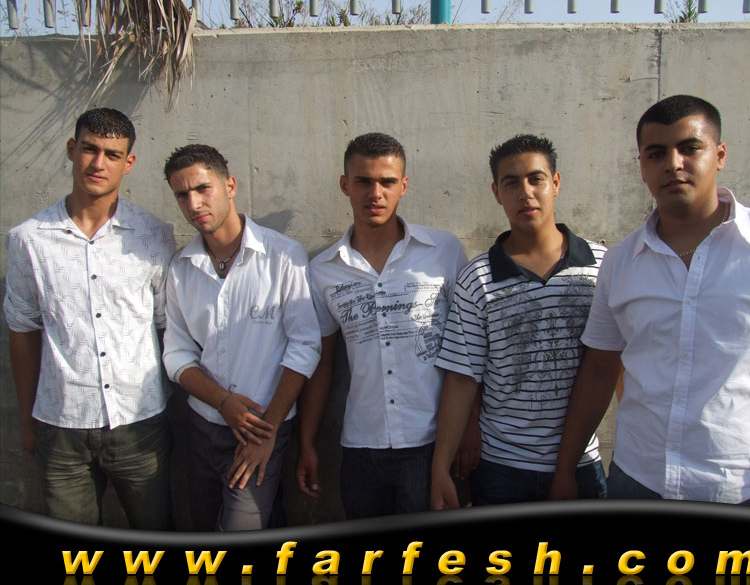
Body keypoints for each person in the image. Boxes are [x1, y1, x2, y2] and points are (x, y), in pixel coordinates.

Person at [549, 94, 750, 508]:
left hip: (741, 489)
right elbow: (598, 371)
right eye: (657, 153)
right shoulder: (621, 262)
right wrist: (565, 469)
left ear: (719, 155)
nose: (673, 163)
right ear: (642, 167)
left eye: (690, 148)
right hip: (638, 479)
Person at [4, 108, 176, 528]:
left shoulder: (153, 235)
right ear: (71, 149)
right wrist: (27, 419)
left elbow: (166, 326)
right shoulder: (29, 239)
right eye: (89, 149)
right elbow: (22, 330)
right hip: (60, 423)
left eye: (112, 155)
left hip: (141, 421)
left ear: (128, 163)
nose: (98, 163)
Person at [296, 132, 469, 519]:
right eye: (363, 181)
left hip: (432, 442)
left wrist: (470, 426)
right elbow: (322, 361)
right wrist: (307, 442)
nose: (375, 193)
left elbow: (470, 347)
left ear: (403, 185)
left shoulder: (443, 251)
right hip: (361, 447)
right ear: (345, 185)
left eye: (387, 182)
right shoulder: (323, 270)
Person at [430, 134, 608, 509]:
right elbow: (462, 378)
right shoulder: (477, 279)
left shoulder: (602, 268)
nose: (525, 193)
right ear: (497, 193)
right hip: (502, 469)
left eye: (535, 179)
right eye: (511, 183)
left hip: (582, 463)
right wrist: (440, 468)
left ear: (555, 182)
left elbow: (614, 367)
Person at [161, 144, 321, 530]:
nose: (194, 203)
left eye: (203, 188)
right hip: (203, 426)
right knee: (205, 527)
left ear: (230, 185)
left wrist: (268, 431)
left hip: (264, 428)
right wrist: (222, 402)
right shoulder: (181, 268)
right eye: (182, 194)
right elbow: (177, 355)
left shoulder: (282, 256)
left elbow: (306, 345)